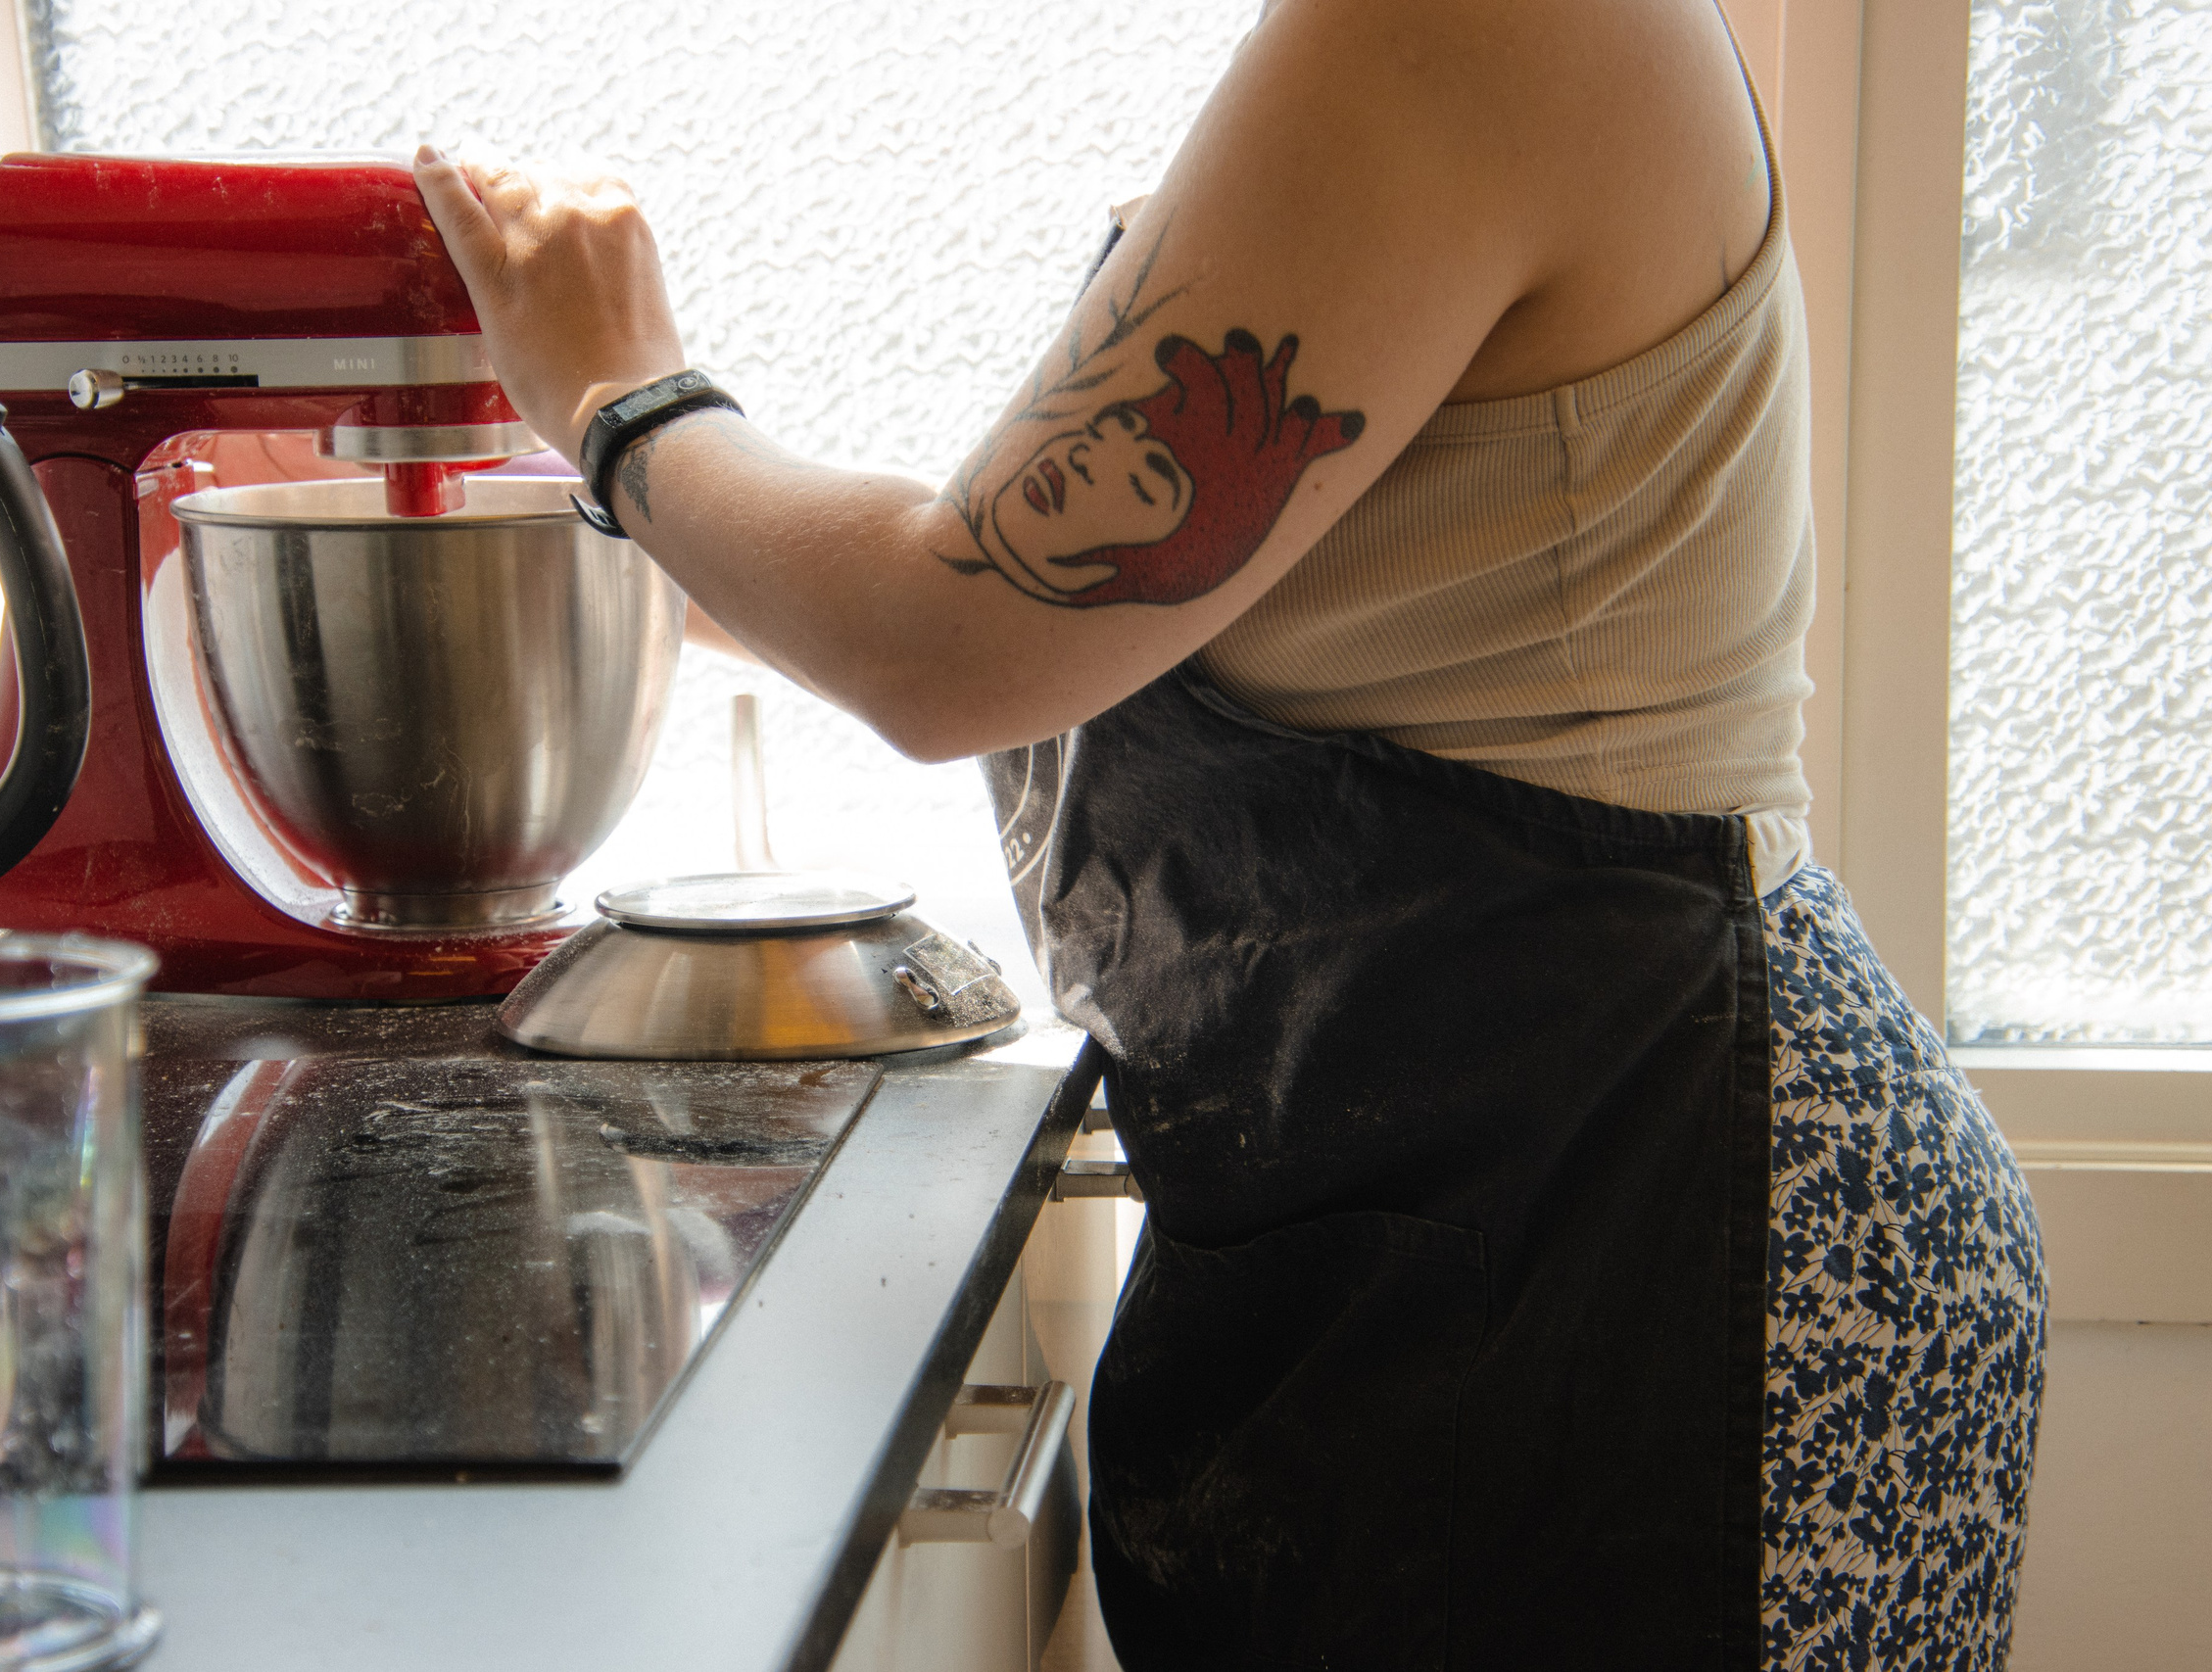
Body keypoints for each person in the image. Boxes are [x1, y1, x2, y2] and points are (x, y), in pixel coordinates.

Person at [412, 0, 2046, 1664]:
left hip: (1663, 1248)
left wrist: (621, 396)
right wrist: (635, 542)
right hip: (1538, 1193)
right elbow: (1110, 604)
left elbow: (954, 634)